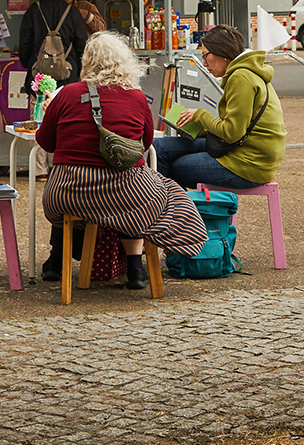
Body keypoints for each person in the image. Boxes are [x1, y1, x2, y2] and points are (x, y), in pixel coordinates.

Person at [35, 31, 207, 289]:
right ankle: (137, 268)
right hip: (124, 192)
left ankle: (55, 261)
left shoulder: (67, 94)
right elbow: (146, 144)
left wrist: (53, 115)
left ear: (87, 62)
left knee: (95, 192)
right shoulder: (136, 97)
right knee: (149, 196)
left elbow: (46, 143)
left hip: (66, 194)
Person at [154, 23, 287, 191]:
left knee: (172, 167)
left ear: (222, 52)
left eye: (205, 56)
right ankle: (177, 210)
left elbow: (232, 133)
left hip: (249, 163)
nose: (204, 63)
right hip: (243, 149)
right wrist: (200, 130)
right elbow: (237, 128)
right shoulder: (244, 73)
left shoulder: (241, 78)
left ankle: (173, 214)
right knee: (160, 148)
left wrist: (200, 115)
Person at [18, 0, 88, 90]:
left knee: (39, 107)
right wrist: (80, 69)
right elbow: (82, 43)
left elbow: (24, 43)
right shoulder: (72, 12)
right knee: (67, 108)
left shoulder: (33, 11)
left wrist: (28, 63)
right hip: (68, 78)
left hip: (39, 78)